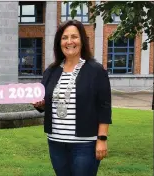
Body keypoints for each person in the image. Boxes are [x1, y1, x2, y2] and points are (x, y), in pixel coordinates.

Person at [33, 20, 112, 176]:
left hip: (85, 144)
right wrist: (40, 104)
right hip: (55, 142)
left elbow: (104, 107)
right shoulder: (51, 71)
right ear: (59, 43)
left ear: (82, 40)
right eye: (64, 38)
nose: (69, 42)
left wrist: (102, 139)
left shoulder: (95, 70)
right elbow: (45, 102)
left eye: (74, 37)